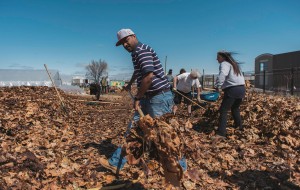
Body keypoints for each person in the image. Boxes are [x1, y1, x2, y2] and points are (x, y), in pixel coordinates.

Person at [99, 28, 186, 174]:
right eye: (122, 44)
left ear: (133, 36)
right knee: (134, 131)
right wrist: (130, 83)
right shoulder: (136, 53)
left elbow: (148, 77)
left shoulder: (142, 50)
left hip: (158, 98)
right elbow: (139, 71)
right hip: (148, 98)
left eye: (126, 40)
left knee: (165, 135)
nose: (125, 45)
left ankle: (180, 167)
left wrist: (137, 98)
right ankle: (117, 163)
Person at [214, 51, 246, 137]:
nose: (216, 59)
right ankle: (239, 127)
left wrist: (218, 85)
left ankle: (221, 133)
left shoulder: (224, 64)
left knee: (223, 110)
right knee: (235, 108)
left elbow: (222, 74)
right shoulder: (234, 64)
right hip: (242, 88)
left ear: (223, 57)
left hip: (233, 89)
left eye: (218, 57)